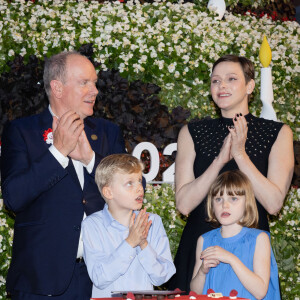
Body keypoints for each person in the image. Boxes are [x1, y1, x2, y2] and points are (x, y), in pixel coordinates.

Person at [1, 51, 126, 299]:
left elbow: (135, 188)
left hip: (102, 278)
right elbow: (14, 198)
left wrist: (90, 160)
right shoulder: (21, 132)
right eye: (84, 83)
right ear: (57, 88)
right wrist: (58, 152)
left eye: (94, 82)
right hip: (42, 281)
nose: (95, 91)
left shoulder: (107, 132)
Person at [169, 54, 294, 292]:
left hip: (248, 252)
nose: (221, 86)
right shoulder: (193, 132)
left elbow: (274, 202)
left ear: (250, 86)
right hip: (201, 250)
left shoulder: (277, 132)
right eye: (215, 81)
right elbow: (184, 205)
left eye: (231, 79)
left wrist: (240, 155)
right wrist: (219, 161)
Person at [82, 154, 176, 298]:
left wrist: (144, 244)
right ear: (108, 192)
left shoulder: (152, 222)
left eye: (139, 181)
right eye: (130, 183)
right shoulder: (92, 225)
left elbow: (162, 277)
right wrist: (130, 242)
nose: (139, 188)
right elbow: (99, 278)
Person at [190, 170, 280, 299]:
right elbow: (195, 292)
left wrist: (231, 259)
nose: (224, 205)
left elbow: (260, 292)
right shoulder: (204, 240)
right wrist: (202, 272)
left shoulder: (259, 239)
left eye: (233, 198)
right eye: (218, 199)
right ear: (211, 205)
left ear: (247, 203)